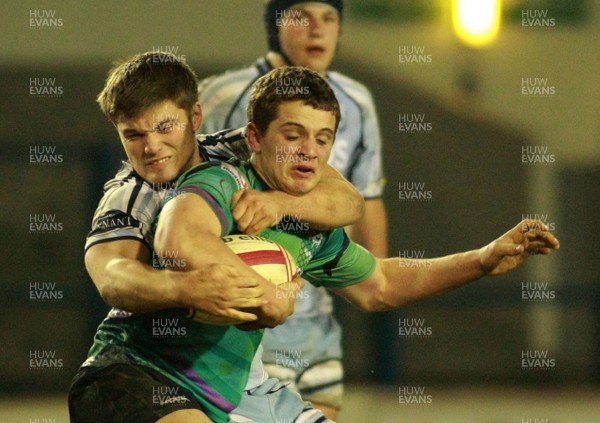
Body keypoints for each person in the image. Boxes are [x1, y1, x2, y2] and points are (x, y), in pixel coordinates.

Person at [156, 66, 560, 423]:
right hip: (155, 379)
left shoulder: (308, 225)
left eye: (322, 139)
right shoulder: (224, 183)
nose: (309, 152)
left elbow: (381, 284)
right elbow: (180, 239)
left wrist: (482, 259)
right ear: (255, 138)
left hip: (236, 390)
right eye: (293, 135)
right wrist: (267, 295)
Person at [68, 52, 364, 423]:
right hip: (135, 370)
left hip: (228, 381)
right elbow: (112, 276)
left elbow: (349, 201)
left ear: (194, 117)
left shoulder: (236, 148)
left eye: (164, 128)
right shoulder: (128, 197)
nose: (151, 147)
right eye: (134, 134)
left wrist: (277, 204)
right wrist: (185, 287)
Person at [198, 1, 387, 417]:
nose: (317, 30)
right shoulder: (223, 93)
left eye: (330, 18)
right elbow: (188, 189)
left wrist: (374, 287)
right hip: (247, 316)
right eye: (302, 17)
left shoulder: (357, 101)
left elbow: (364, 198)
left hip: (316, 311)